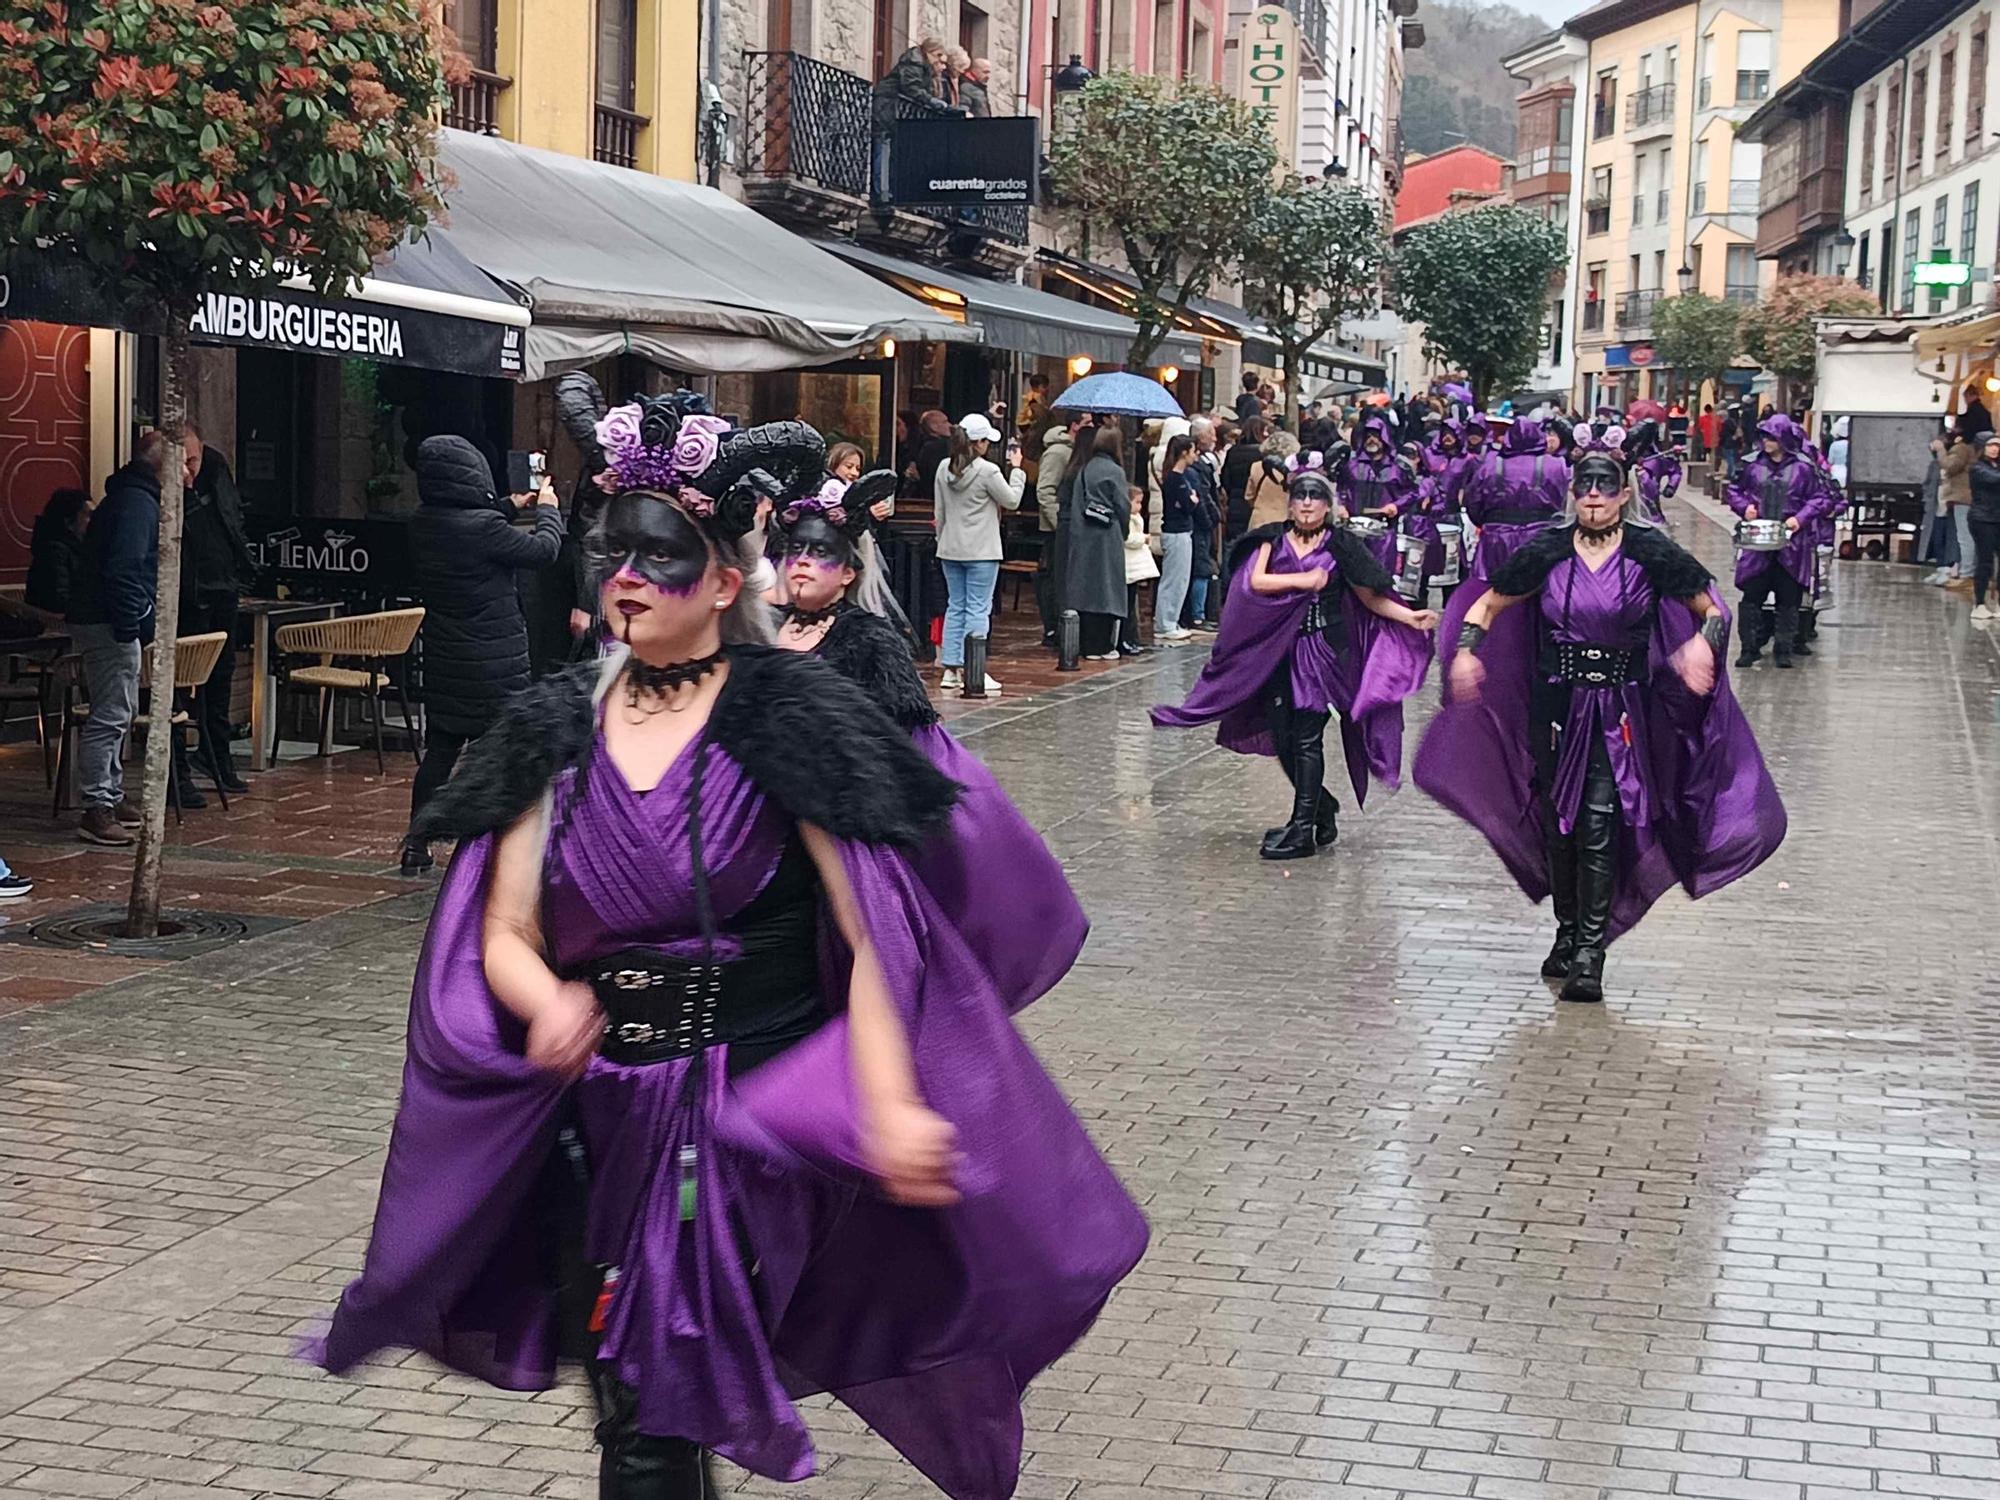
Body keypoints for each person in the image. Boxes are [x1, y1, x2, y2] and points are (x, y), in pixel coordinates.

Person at [314, 412, 1147, 1500]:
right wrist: (544, 999)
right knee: (642, 1404)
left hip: (748, 1121)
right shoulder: (552, 725)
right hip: (601, 1121)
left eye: (657, 556)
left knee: (651, 1415)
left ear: (717, 582)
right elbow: (504, 931)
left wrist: (888, 1097)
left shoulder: (789, 716)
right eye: (612, 552)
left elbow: (873, 932)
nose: (627, 577)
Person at [1418, 449, 1786, 1004]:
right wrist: (1467, 652)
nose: (1593, 494)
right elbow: (1486, 605)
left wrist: (1701, 646)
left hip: (1619, 708)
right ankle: (1568, 931)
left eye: (1605, 485)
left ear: (1623, 494)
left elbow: (1712, 608)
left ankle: (1591, 951)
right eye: (1585, 485)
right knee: (1558, 823)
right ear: (1572, 493)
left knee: (1597, 820)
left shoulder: (1649, 550)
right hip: (1556, 705)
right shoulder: (1546, 550)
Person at [768, 462, 1089, 1010]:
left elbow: (905, 743)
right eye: (794, 551)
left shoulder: (869, 638)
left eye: (820, 554)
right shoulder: (764, 629)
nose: (801, 563)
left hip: (839, 828)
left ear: (848, 574)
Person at [1152, 465, 1437, 859]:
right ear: (1290, 504)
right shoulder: (1270, 540)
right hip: (1277, 653)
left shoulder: (1341, 546)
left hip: (1322, 655)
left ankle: (1302, 829)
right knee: (1283, 738)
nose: (1306, 504)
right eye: (1300, 496)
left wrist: (1409, 617)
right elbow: (1255, 581)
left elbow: (1369, 596)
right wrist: (1303, 581)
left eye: (1314, 497)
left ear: (1327, 506)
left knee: (1306, 736)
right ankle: (1321, 808)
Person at [401, 435, 565, 874]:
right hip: (493, 660)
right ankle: (496, 848)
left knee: (440, 752)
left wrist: (510, 504)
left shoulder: (423, 522)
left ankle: (416, 844)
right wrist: (548, 510)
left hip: (445, 657)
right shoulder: (484, 529)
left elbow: (473, 526)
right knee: (502, 753)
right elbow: (543, 551)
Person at [66, 431, 183, 847]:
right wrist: (133, 624)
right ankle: (97, 805)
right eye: (184, 464)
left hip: (106, 619)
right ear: (163, 465)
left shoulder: (131, 498)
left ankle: (111, 795)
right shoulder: (138, 504)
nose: (188, 474)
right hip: (109, 623)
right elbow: (125, 569)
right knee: (112, 712)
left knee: (121, 708)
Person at [179, 424, 255, 798]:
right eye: (182, 462)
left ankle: (216, 755)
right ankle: (179, 767)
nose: (188, 470)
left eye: (193, 460)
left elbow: (230, 519)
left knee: (220, 675)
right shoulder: (168, 488)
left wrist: (240, 570)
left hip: (221, 584)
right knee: (181, 679)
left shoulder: (215, 469)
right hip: (189, 592)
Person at [1728, 414, 1836, 670]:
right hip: (1758, 543)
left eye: (1772, 437)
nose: (1767, 442)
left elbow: (1822, 497)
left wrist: (1800, 519)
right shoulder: (1751, 465)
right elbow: (1733, 490)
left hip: (1793, 544)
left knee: (1789, 599)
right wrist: (1744, 508)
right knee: (1752, 596)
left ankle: (1783, 649)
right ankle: (1749, 648)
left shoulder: (1804, 468)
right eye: (1764, 437)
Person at [933, 413, 1025, 692]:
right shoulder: (988, 471)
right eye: (986, 441)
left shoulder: (944, 468)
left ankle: (951, 668)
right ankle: (974, 669)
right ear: (979, 442)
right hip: (982, 550)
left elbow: (940, 511)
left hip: (950, 547)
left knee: (955, 606)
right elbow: (1012, 500)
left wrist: (941, 540)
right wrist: (1017, 471)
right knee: (977, 609)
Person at [1064, 424, 1129, 659]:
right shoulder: (1115, 471)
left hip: (1085, 534)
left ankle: (1086, 644)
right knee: (1107, 589)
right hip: (1107, 534)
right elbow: (1122, 505)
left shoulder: (1085, 468)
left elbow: (1076, 503)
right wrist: (1124, 530)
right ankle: (1102, 645)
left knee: (1086, 588)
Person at [870, 36, 951, 203]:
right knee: (884, 146)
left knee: (890, 150)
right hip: (888, 107)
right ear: (931, 52)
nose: (941, 63)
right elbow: (911, 87)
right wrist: (930, 101)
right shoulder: (914, 62)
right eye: (939, 57)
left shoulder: (922, 65)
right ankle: (881, 191)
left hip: (895, 110)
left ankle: (889, 191)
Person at [1036, 413, 1088, 646]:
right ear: (1074, 425)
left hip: (1069, 526)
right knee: (1054, 577)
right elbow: (1045, 490)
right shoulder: (1057, 453)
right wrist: (1059, 522)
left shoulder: (1077, 451)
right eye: (1086, 423)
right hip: (1055, 528)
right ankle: (1052, 628)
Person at [1154, 434, 1198, 645]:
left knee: (1179, 579)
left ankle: (1170, 621)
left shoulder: (1179, 478)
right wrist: (1192, 499)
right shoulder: (1175, 479)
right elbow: (1187, 504)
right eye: (1193, 451)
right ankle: (1166, 624)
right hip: (1176, 533)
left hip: (1181, 532)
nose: (1195, 455)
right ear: (1184, 453)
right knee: (1174, 580)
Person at [25, 487, 91, 616]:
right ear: (68, 520)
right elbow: (59, 599)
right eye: (88, 514)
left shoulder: (77, 548)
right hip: (54, 622)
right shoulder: (54, 552)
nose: (93, 520)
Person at [1186, 416, 1223, 627]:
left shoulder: (1203, 463)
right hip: (1199, 523)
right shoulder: (1196, 469)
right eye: (1210, 433)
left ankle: (1200, 612)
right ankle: (1197, 615)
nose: (1214, 438)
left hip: (1202, 521)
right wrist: (1211, 518)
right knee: (1201, 567)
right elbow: (1203, 496)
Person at [1119, 482, 1158, 656]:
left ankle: (1131, 638)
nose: (1140, 506)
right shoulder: (1129, 520)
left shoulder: (1136, 518)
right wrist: (1143, 538)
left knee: (1131, 602)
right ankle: (1127, 638)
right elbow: (1129, 539)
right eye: (1137, 502)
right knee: (1128, 604)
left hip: (1134, 567)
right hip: (1130, 566)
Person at [1623, 419, 1682, 528]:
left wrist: (1671, 487)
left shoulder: (1657, 459)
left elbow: (1675, 471)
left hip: (1652, 511)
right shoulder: (1623, 455)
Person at [1220, 415, 1268, 540]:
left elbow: (1225, 479)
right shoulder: (1262, 454)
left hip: (1236, 501)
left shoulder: (1233, 452)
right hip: (1257, 502)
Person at [1969, 431, 2000, 621]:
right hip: (1982, 519)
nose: (1995, 449)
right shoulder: (1977, 468)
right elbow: (1995, 479)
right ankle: (1979, 603)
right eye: (1990, 445)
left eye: (1997, 445)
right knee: (1985, 561)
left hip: (1997, 517)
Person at [1245, 428, 1300, 531]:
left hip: (1260, 521)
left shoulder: (1256, 467)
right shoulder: (1295, 471)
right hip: (1287, 521)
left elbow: (1249, 496)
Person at [1942, 424, 1977, 585]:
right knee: (1972, 536)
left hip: (1962, 498)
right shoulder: (1975, 449)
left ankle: (1966, 574)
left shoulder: (1961, 448)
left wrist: (1940, 450)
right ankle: (1969, 571)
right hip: (1972, 498)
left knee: (1964, 537)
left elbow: (1950, 466)